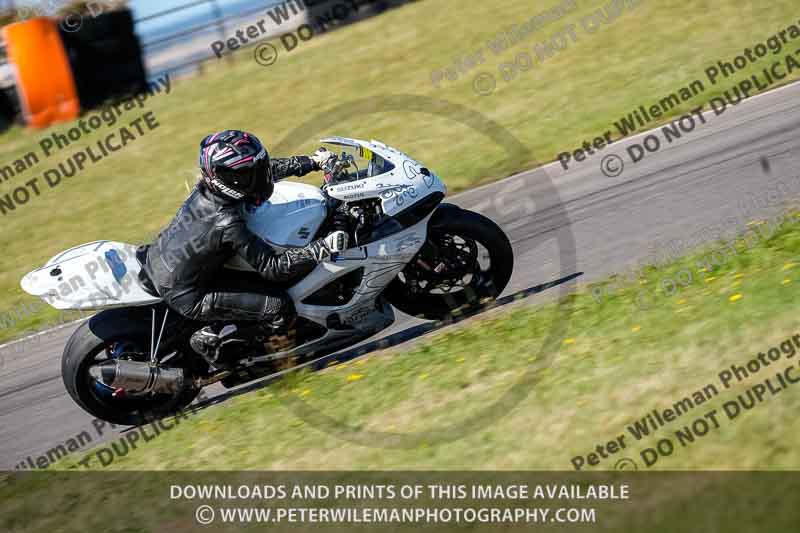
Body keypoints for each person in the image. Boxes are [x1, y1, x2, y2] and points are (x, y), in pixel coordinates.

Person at [141, 130, 346, 365]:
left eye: (256, 168)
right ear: (227, 178)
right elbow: (273, 267)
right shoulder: (226, 221)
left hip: (164, 263)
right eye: (248, 173)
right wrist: (320, 248)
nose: (258, 175)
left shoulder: (212, 189)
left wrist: (312, 162)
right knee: (280, 306)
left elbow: (265, 174)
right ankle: (223, 344)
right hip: (189, 295)